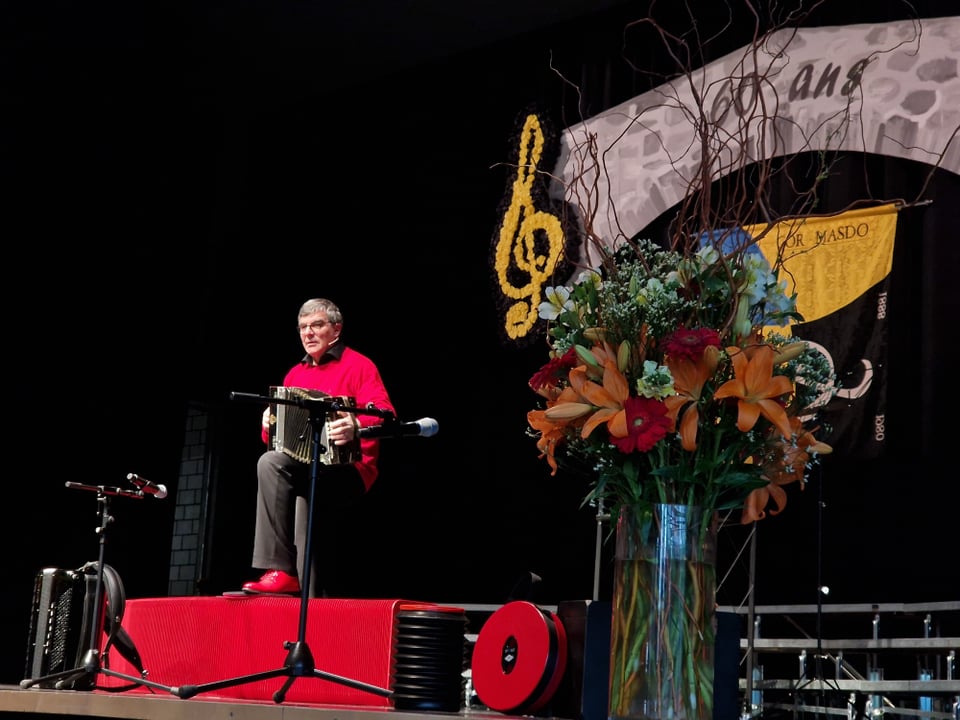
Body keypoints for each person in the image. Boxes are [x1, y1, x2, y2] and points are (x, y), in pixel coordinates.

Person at [242, 297, 395, 596]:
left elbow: (386, 416)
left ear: (336, 329)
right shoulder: (294, 374)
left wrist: (356, 425)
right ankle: (288, 578)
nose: (308, 333)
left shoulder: (359, 365)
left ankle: (295, 585)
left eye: (317, 325)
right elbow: (276, 439)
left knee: (302, 492)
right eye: (303, 328)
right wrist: (268, 424)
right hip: (306, 466)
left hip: (350, 468)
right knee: (272, 463)